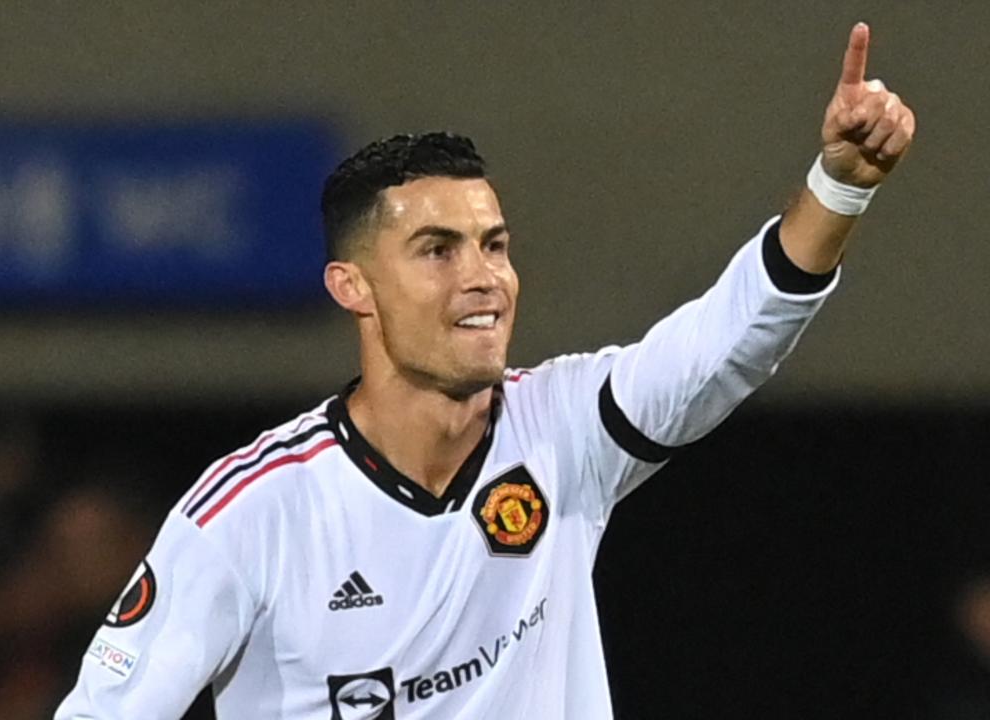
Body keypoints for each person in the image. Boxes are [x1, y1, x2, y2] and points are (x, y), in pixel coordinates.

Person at [56, 22, 915, 719]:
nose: (483, 278)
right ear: (352, 287)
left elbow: (733, 338)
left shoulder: (567, 428)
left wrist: (839, 188)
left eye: (493, 246)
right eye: (438, 250)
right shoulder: (253, 514)